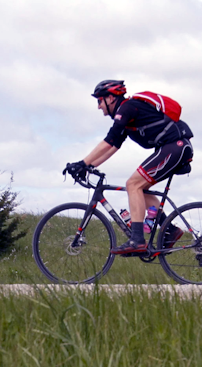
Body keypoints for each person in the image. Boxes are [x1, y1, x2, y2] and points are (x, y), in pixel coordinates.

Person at [67, 79, 193, 254]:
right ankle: (170, 230)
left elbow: (108, 141)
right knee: (140, 189)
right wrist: (88, 167)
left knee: (133, 184)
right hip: (174, 147)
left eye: (99, 101)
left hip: (175, 147)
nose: (98, 106)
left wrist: (82, 163)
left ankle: (137, 239)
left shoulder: (127, 108)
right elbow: (113, 146)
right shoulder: (127, 115)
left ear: (110, 98)